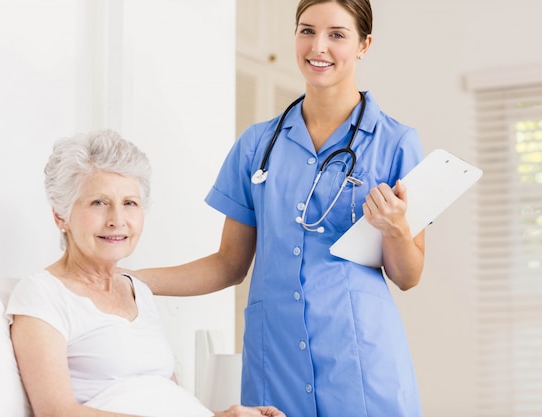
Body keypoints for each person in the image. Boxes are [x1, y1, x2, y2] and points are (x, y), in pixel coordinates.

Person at [131, 0, 426, 416]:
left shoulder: (396, 143)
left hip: (360, 363)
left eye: (336, 34)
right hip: (276, 363)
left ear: (364, 44)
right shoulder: (257, 144)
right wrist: (133, 280)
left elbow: (408, 275)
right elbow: (229, 264)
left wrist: (395, 229)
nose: (317, 47)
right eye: (306, 31)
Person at [6, 129, 285, 417]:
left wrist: (222, 416)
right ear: (60, 216)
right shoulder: (42, 294)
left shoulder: (137, 292)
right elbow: (56, 413)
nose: (117, 220)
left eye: (129, 203)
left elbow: (165, 398)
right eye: (99, 202)